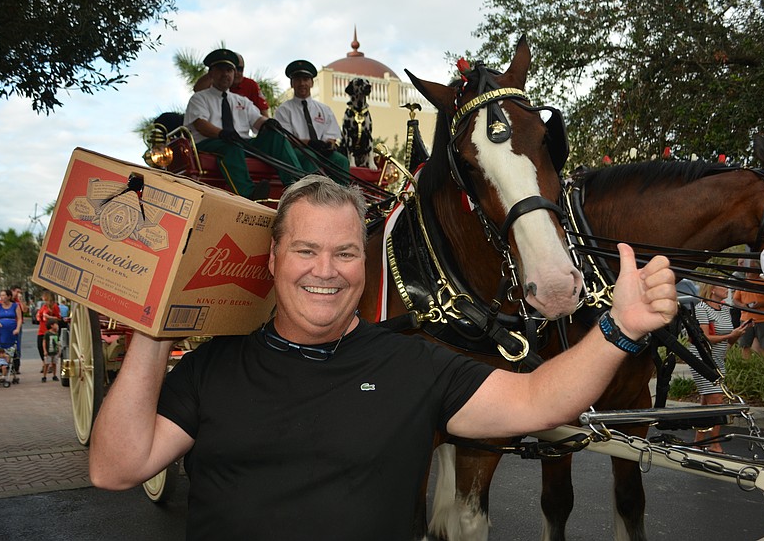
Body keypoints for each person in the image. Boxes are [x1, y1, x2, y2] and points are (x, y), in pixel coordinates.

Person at [88, 176, 677, 540]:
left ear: (363, 264)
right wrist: (154, 325)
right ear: (272, 262)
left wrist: (618, 328)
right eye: (305, 250)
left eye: (344, 252)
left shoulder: (412, 364)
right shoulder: (211, 368)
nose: (325, 270)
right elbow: (114, 468)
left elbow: (537, 398)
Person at [184, 48, 316, 199]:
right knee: (232, 147)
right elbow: (200, 124)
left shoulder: (241, 101)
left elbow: (258, 120)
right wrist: (222, 133)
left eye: (230, 70)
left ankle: (297, 185)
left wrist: (268, 123)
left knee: (276, 137)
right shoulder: (199, 98)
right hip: (210, 143)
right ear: (211, 73)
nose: (226, 74)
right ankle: (248, 194)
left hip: (240, 143)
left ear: (234, 74)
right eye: (221, 69)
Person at [687, 283, 750, 452]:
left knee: (707, 403)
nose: (727, 289)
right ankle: (715, 444)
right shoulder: (701, 309)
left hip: (718, 359)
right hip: (702, 360)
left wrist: (737, 334)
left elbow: (729, 340)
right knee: (717, 400)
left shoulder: (724, 309)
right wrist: (731, 334)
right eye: (723, 287)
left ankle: (698, 441)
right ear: (712, 290)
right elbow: (705, 338)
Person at [274, 60, 351, 183]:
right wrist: (310, 143)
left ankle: (341, 197)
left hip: (322, 152)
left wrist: (329, 145)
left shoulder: (324, 109)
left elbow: (332, 136)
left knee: (341, 161)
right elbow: (286, 140)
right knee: (310, 156)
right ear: (291, 83)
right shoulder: (283, 110)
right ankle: (312, 196)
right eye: (298, 79)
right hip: (299, 152)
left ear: (312, 83)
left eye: (305, 79)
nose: (302, 83)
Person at [193, 51, 270, 117]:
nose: (236, 73)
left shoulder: (250, 85)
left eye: (239, 69)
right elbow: (197, 89)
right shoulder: (215, 82)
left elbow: (264, 116)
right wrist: (215, 74)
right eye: (232, 69)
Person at [732, 265, 764, 360]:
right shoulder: (743, 283)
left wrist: (760, 304)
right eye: (747, 270)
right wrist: (742, 305)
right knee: (745, 345)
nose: (747, 272)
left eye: (750, 270)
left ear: (756, 271)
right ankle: (747, 364)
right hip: (746, 320)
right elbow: (735, 300)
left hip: (763, 320)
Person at [35, 291, 61, 368]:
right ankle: (44, 362)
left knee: (50, 347)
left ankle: (49, 364)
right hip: (41, 329)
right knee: (40, 346)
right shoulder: (44, 306)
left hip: (49, 329)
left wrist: (50, 317)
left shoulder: (54, 306)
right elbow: (39, 316)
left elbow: (58, 318)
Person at [0, 289, 22, 355]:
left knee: (13, 348)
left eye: (3, 295)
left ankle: (14, 359)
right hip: (1, 330)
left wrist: (17, 329)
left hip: (12, 330)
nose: (2, 297)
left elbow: (19, 319)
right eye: (1, 295)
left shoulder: (15, 306)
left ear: (9, 296)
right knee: (1, 348)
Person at [10, 285, 28, 372]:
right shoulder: (7, 300)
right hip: (9, 325)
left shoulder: (18, 302)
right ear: (12, 291)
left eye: (20, 292)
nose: (18, 294)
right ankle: (7, 365)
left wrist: (21, 300)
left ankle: (16, 366)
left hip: (18, 325)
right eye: (17, 292)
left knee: (17, 346)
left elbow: (24, 310)